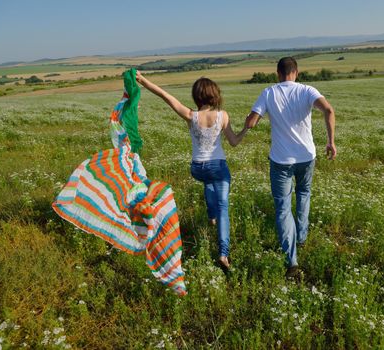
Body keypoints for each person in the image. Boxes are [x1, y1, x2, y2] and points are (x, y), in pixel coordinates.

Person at [136, 71, 248, 272]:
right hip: (218, 167)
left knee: (207, 182)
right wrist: (246, 128)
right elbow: (234, 142)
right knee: (224, 207)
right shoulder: (222, 116)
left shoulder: (190, 116)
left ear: (196, 96)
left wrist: (143, 80)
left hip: (197, 168)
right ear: (215, 94)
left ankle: (211, 215)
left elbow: (165, 96)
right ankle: (223, 253)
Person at [245, 57, 336, 279]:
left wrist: (249, 120)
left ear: (278, 73)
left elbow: (252, 123)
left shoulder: (268, 92)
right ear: (296, 72)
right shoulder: (307, 90)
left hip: (281, 160)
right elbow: (329, 110)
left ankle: (291, 261)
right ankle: (302, 237)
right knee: (304, 194)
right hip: (306, 156)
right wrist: (331, 142)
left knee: (283, 208)